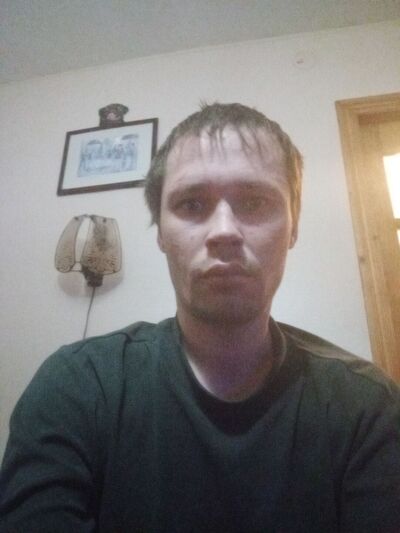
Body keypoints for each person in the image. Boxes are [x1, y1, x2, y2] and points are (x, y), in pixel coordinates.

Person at [1, 103, 399, 532]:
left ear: (294, 226)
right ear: (160, 232)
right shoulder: (76, 386)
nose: (224, 231)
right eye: (191, 204)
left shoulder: (367, 408)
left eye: (255, 201)